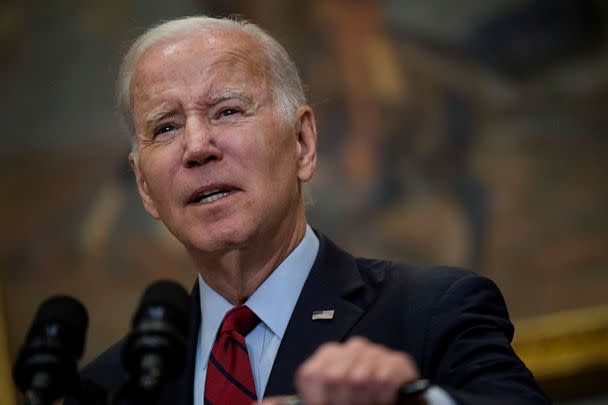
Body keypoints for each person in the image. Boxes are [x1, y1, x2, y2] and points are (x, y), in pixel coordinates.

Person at [66, 16, 549, 405]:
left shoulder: (433, 311)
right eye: (166, 128)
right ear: (145, 187)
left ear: (302, 143)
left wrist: (414, 402)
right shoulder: (109, 388)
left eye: (228, 111)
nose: (196, 146)